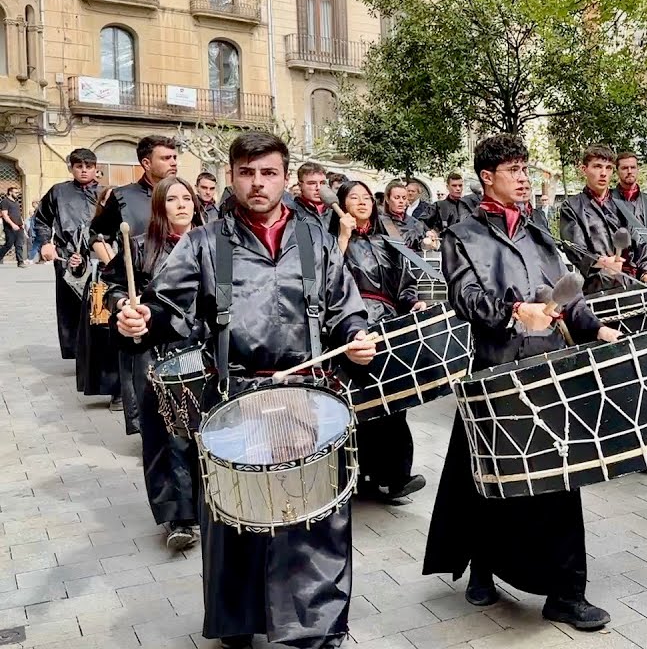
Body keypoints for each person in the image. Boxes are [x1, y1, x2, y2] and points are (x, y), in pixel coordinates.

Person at [116, 131, 375, 649]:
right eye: (247, 173)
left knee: (312, 518)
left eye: (269, 173)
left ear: (285, 176)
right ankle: (238, 620)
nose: (258, 184)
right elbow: (168, 310)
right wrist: (139, 320)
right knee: (236, 522)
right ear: (233, 176)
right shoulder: (206, 241)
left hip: (309, 397)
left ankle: (314, 628)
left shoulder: (316, 237)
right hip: (235, 398)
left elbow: (345, 305)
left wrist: (354, 337)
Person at [423, 134, 621, 631]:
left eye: (525, 167)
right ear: (487, 177)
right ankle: (485, 568)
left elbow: (566, 294)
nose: (524, 176)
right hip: (497, 370)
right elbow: (466, 299)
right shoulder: (461, 235)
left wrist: (595, 326)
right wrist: (514, 311)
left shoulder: (538, 231)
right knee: (492, 480)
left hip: (550, 371)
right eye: (513, 169)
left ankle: (566, 592)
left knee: (560, 482)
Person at [103, 176, 204, 551]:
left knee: (206, 432)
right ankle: (177, 518)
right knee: (167, 434)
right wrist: (122, 305)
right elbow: (113, 284)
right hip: (160, 349)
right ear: (159, 206)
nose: (181, 204)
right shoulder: (142, 247)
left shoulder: (213, 244)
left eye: (186, 198)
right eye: (172, 199)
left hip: (205, 347)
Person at [328, 179, 428, 502]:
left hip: (388, 325)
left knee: (395, 403)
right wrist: (343, 236)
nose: (362, 202)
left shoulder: (388, 238)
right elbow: (328, 281)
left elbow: (404, 279)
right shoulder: (331, 239)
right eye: (353, 197)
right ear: (342, 204)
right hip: (352, 327)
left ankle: (396, 476)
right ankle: (361, 477)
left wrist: (412, 301)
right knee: (361, 405)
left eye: (366, 197)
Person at [91, 136, 179, 435]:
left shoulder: (182, 193)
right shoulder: (123, 196)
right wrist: (114, 267)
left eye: (174, 157)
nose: (173, 162)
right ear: (146, 163)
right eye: (166, 158)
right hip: (139, 291)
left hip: (178, 300)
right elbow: (97, 233)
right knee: (140, 369)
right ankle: (146, 427)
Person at [559, 145, 647, 294]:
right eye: (597, 167)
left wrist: (646, 272)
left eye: (608, 168)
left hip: (631, 283)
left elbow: (640, 240)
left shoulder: (623, 203)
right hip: (597, 287)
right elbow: (575, 248)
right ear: (584, 169)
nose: (603, 173)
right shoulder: (572, 206)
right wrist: (601, 262)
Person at [33, 148, 101, 359]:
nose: (83, 171)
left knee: (99, 304)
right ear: (71, 167)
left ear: (95, 169)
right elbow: (42, 219)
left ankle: (98, 351)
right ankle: (76, 352)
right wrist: (45, 243)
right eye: (79, 166)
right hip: (66, 257)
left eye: (88, 166)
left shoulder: (107, 193)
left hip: (98, 257)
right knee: (70, 306)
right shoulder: (58, 191)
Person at [77, 186, 122, 405]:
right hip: (103, 287)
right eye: (109, 199)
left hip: (118, 284)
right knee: (104, 338)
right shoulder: (97, 231)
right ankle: (113, 389)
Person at [382, 180, 428, 250]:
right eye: (397, 198)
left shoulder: (416, 224)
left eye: (404, 198)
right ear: (387, 199)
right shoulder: (379, 222)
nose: (401, 201)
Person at [0, 186, 25, 266]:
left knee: (19, 244)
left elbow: (18, 214)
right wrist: (12, 224)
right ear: (10, 192)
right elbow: (5, 215)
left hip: (19, 226)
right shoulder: (5, 202)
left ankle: (20, 262)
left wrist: (22, 223)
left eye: (18, 193)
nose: (17, 194)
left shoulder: (16, 202)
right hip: (10, 227)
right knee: (9, 244)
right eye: (15, 192)